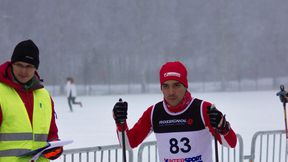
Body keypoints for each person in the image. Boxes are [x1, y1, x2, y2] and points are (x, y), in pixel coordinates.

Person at [113, 61, 237, 161]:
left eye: (176, 85)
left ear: (185, 85)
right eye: (166, 86)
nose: (171, 92)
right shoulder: (154, 112)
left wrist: (222, 126)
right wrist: (120, 122)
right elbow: (128, 144)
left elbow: (230, 143)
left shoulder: (203, 109)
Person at [0, 39, 63, 161]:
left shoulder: (44, 95)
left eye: (29, 66)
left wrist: (54, 147)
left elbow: (51, 134)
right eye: (19, 65)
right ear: (12, 63)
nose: (24, 71)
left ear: (35, 68)